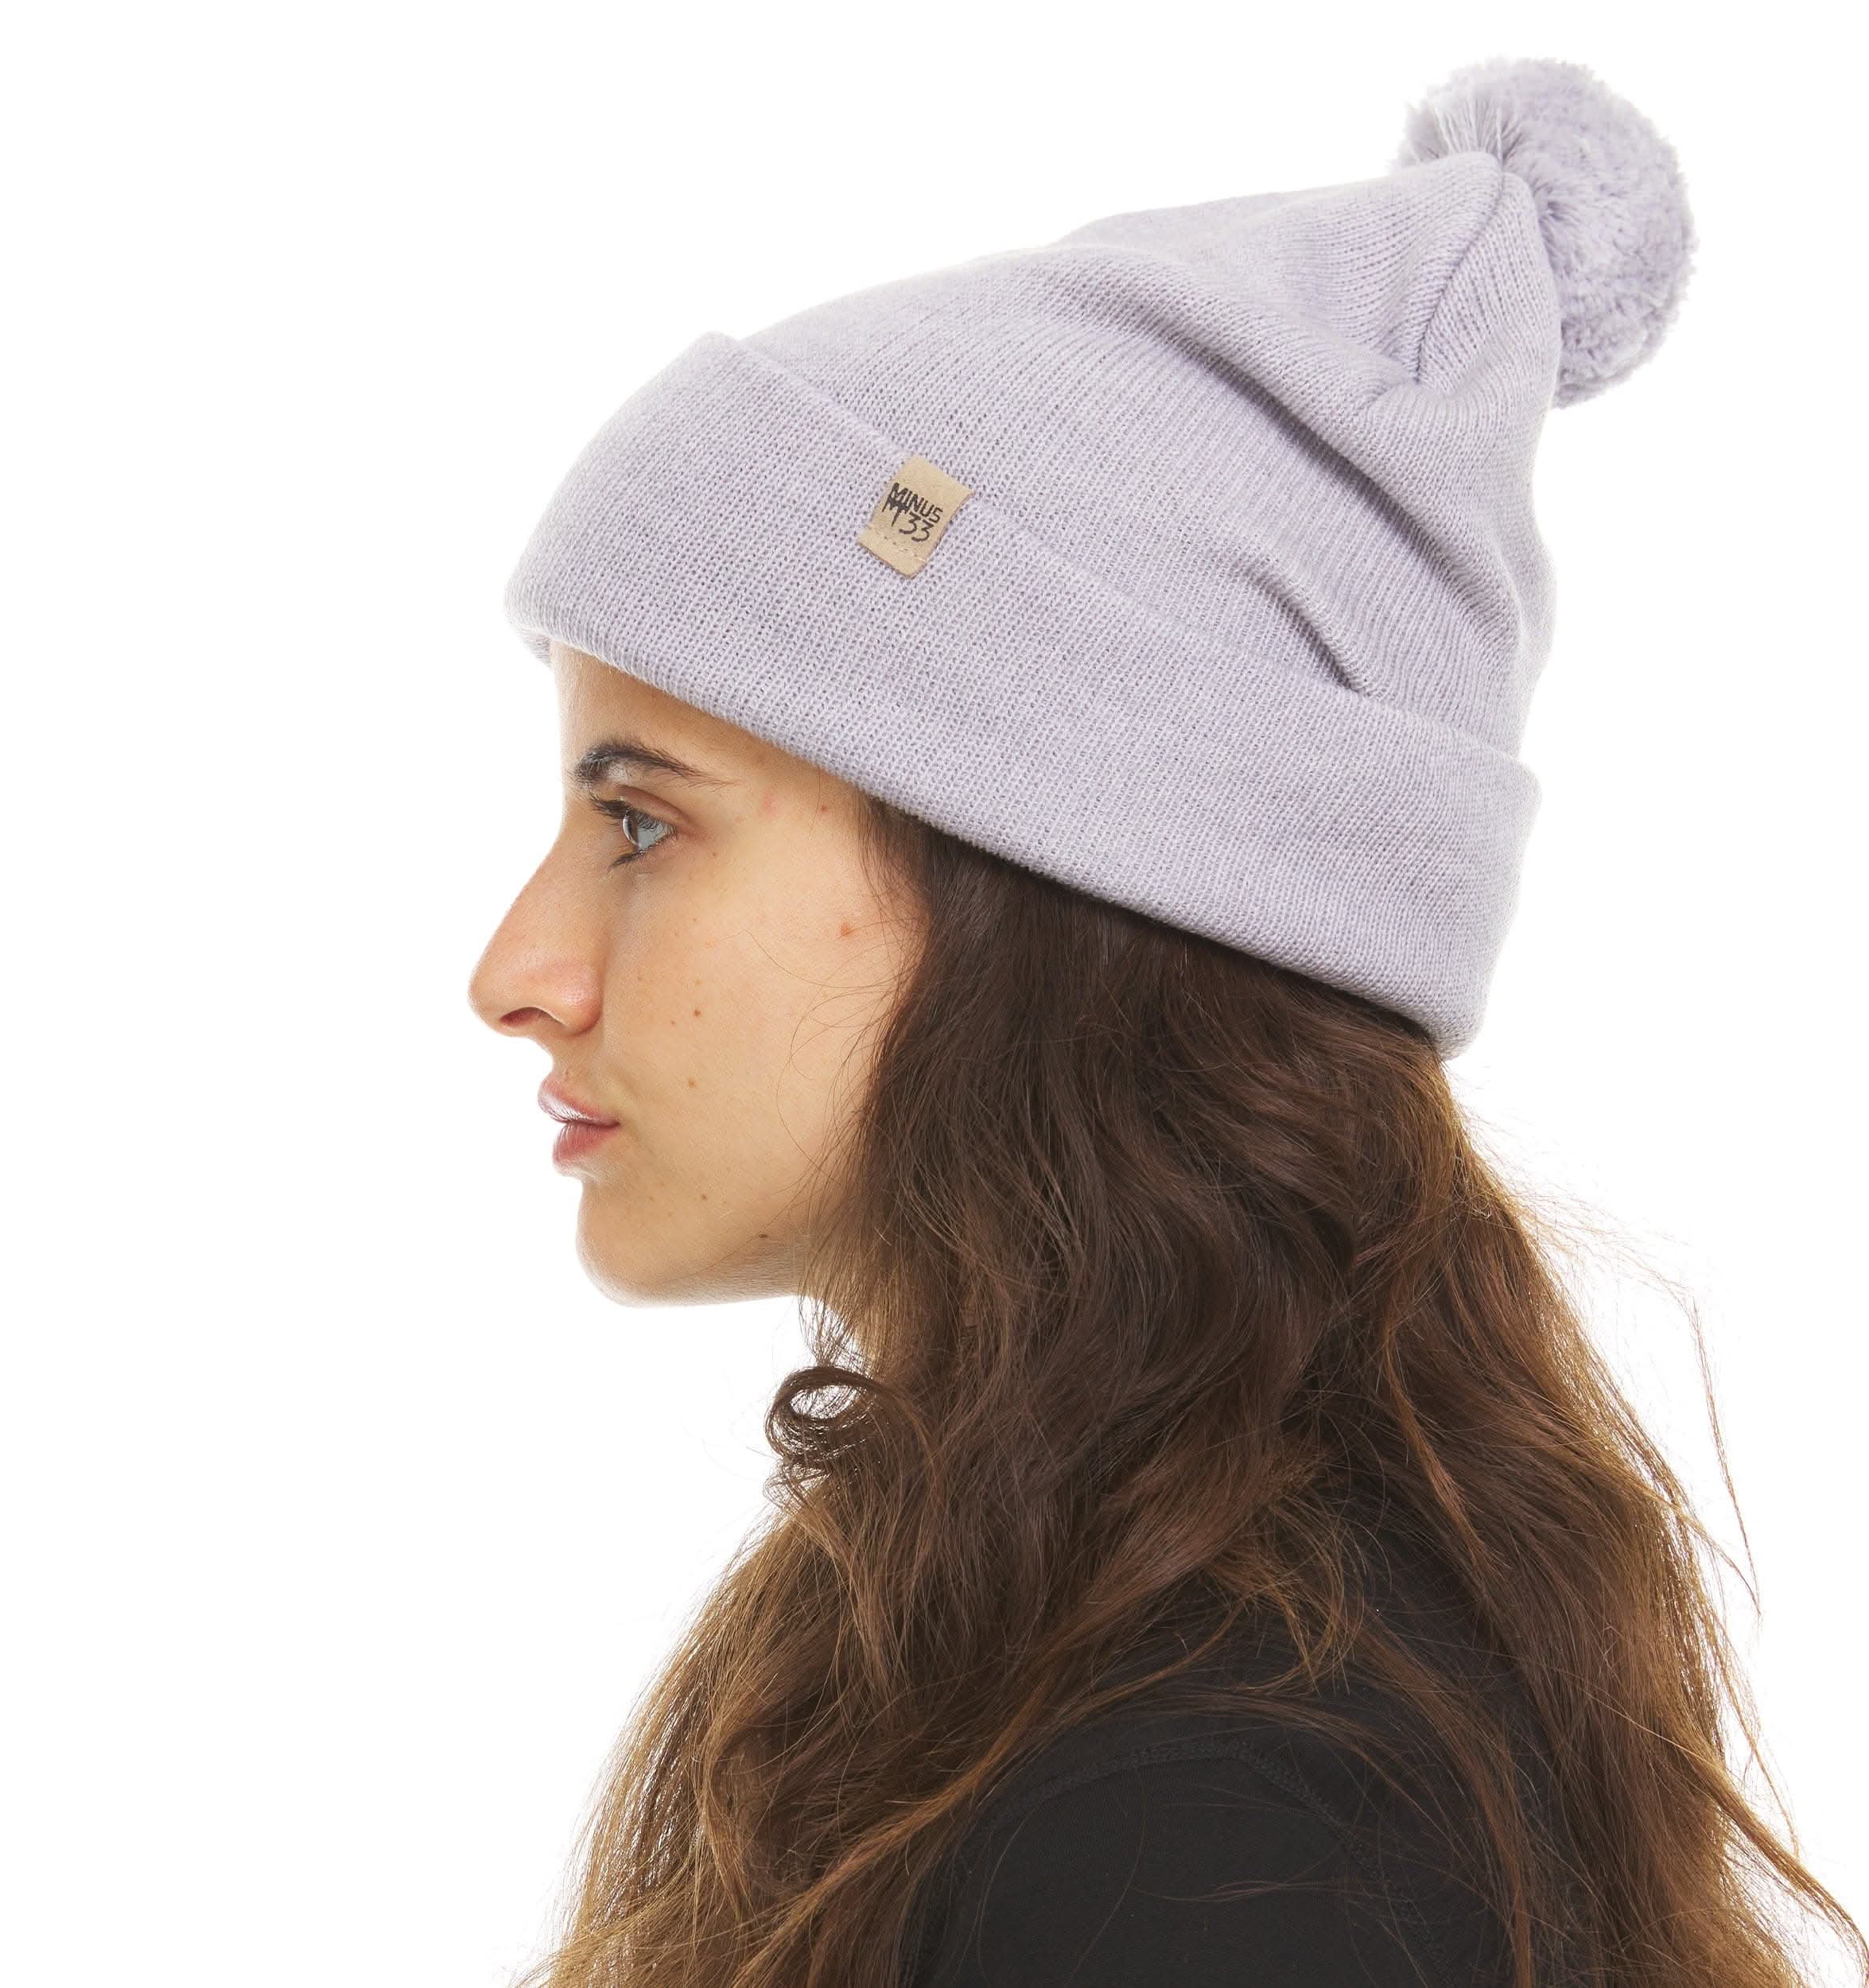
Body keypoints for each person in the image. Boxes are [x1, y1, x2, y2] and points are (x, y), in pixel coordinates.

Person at [470, 54, 1865, 1988]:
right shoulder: (1102, 1666)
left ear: (1051, 873)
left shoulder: (1206, 1835)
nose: (516, 967)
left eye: (642, 822)